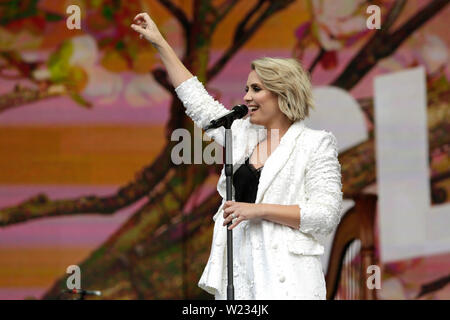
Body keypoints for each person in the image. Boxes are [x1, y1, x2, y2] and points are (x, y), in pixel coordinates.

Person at [131, 12, 343, 300]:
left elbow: (325, 215)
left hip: (289, 282)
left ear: (283, 94)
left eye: (256, 89)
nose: (246, 97)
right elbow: (197, 101)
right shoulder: (240, 133)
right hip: (240, 276)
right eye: (246, 89)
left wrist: (257, 210)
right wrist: (160, 43)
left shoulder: (315, 144)